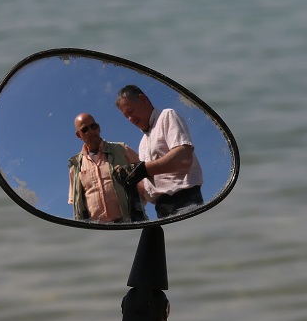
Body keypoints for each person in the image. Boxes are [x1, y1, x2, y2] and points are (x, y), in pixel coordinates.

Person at [112, 85, 204, 218]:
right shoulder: (142, 143)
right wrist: (127, 179)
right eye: (127, 117)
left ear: (143, 99)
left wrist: (142, 169)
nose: (131, 119)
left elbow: (184, 156)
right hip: (161, 210)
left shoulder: (167, 116)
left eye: (131, 112)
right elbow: (148, 186)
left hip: (186, 203)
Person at [67, 113, 146, 223]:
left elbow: (146, 177)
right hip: (97, 231)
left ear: (98, 127)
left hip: (128, 224)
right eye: (85, 129)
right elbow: (76, 202)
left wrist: (138, 207)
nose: (90, 131)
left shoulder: (122, 150)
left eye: (93, 126)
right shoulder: (75, 167)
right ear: (79, 135)